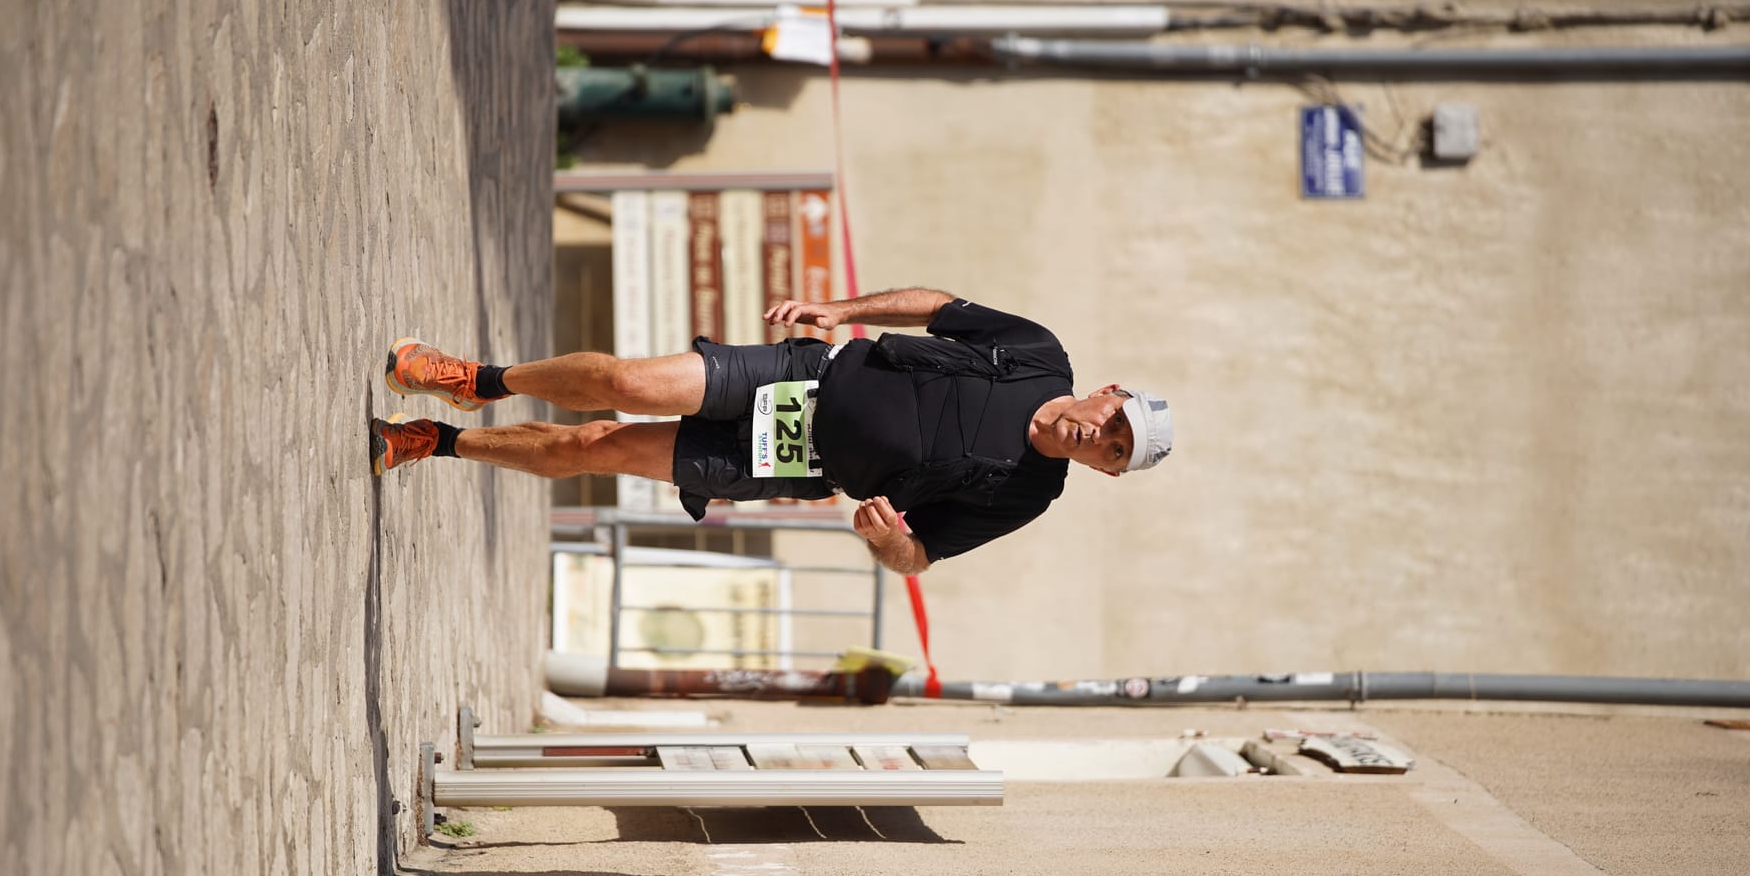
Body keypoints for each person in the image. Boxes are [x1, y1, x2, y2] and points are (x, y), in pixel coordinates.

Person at [370, 287, 1172, 574]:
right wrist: (845, 312)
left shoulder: (1027, 493)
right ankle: (476, 381)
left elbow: (919, 555)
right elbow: (939, 308)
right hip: (804, 375)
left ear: (1103, 472)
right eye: (1115, 425)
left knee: (598, 447)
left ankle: (430, 442)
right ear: (1106, 392)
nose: (1101, 441)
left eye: (1115, 455)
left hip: (789, 457)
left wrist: (885, 538)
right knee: (628, 382)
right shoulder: (1037, 353)